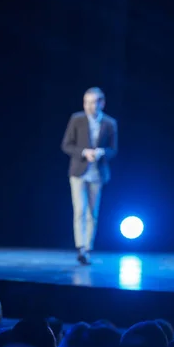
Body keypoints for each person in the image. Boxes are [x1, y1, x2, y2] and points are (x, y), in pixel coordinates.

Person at [61, 87, 118, 265]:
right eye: (87, 102)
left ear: (102, 103)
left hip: (97, 173)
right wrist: (84, 152)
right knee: (80, 209)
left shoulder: (109, 123)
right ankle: (81, 248)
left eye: (93, 102)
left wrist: (101, 153)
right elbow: (66, 145)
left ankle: (88, 246)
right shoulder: (77, 119)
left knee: (92, 212)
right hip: (79, 171)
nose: (89, 106)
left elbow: (113, 149)